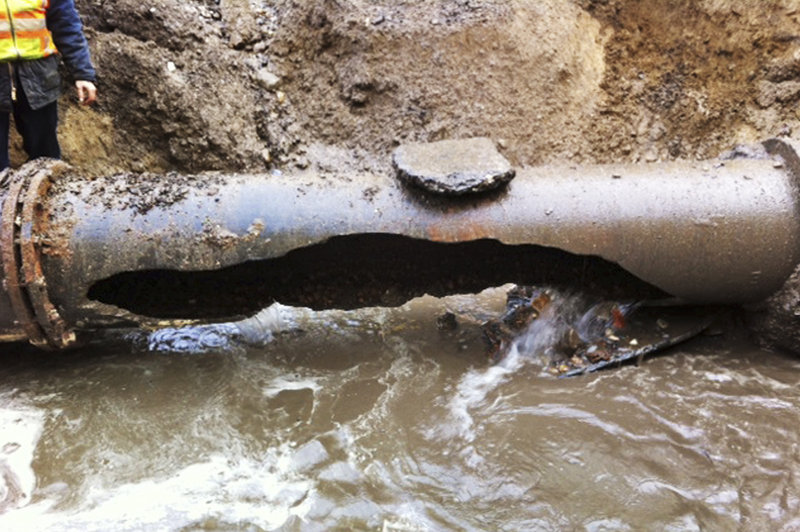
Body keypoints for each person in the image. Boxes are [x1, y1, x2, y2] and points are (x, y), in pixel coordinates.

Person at [0, 0, 96, 170]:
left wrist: (82, 73)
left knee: (45, 156)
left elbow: (66, 26)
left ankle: (46, 193)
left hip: (39, 77)